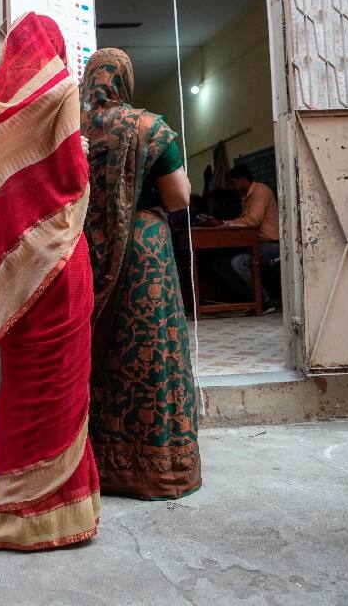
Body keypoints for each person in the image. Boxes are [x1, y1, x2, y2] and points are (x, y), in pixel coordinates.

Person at [0, 12, 100, 551]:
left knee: (24, 382)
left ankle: (15, 514)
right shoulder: (60, 87)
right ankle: (58, 513)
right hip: (62, 258)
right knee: (63, 385)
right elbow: (75, 176)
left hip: (15, 274)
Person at [80, 48, 202, 500]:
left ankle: (98, 464)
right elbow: (178, 198)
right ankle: (161, 469)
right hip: (143, 253)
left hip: (88, 252)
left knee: (101, 352)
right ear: (125, 81)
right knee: (151, 351)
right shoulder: (149, 127)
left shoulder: (73, 130)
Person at [214, 164, 280, 310]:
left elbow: (252, 221)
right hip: (257, 243)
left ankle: (263, 301)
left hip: (272, 244)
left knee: (239, 262)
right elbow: (245, 220)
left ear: (243, 180)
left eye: (233, 183)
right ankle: (251, 298)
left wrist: (225, 224)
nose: (231, 187)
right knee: (221, 262)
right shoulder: (246, 196)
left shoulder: (260, 191)